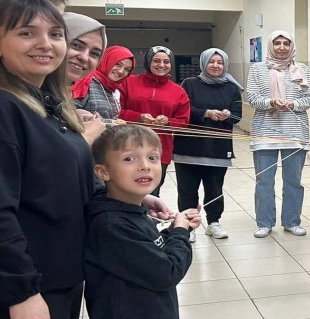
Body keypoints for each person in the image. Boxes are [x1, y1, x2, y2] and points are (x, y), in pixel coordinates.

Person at [0, 0, 93, 319]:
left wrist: (131, 198)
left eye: (55, 34)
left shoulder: (45, 104)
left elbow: (51, 182)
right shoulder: (5, 108)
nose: (46, 44)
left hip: (60, 278)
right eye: (26, 33)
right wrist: (22, 291)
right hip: (29, 287)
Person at [86, 125, 202, 319]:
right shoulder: (110, 224)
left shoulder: (132, 213)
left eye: (152, 157)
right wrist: (179, 232)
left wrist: (166, 225)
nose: (145, 166)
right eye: (129, 159)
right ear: (102, 172)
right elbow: (166, 272)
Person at [245, 30, 310, 238]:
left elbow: (309, 99)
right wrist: (270, 102)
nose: (282, 47)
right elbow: (252, 97)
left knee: (293, 181)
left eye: (286, 43)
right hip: (265, 134)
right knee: (264, 181)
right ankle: (264, 222)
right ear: (270, 46)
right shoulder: (258, 69)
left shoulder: (301, 69)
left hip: (295, 135)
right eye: (277, 43)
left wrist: (292, 103)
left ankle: (292, 221)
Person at [175, 48, 243, 242]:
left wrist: (228, 115)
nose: (215, 65)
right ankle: (187, 224)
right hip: (188, 147)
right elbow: (183, 110)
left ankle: (213, 222)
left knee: (214, 188)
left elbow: (238, 116)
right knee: (187, 188)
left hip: (218, 148)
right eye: (211, 61)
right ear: (204, 63)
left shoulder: (231, 87)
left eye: (220, 62)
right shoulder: (189, 84)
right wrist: (206, 113)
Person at [120, 46, 191, 196]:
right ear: (148, 62)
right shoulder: (128, 82)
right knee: (125, 191)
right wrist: (138, 117)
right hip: (126, 146)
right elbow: (115, 111)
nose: (161, 65)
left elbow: (183, 122)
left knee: (152, 193)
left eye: (166, 62)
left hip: (159, 150)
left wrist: (168, 121)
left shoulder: (178, 91)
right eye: (156, 61)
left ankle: (149, 220)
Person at [71, 45, 134, 121]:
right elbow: (68, 113)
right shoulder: (85, 82)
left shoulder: (113, 89)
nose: (121, 71)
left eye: (127, 69)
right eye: (118, 64)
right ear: (106, 60)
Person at [62, 12, 105, 86]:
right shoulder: (37, 93)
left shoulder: (61, 95)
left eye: (94, 53)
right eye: (76, 46)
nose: (84, 58)